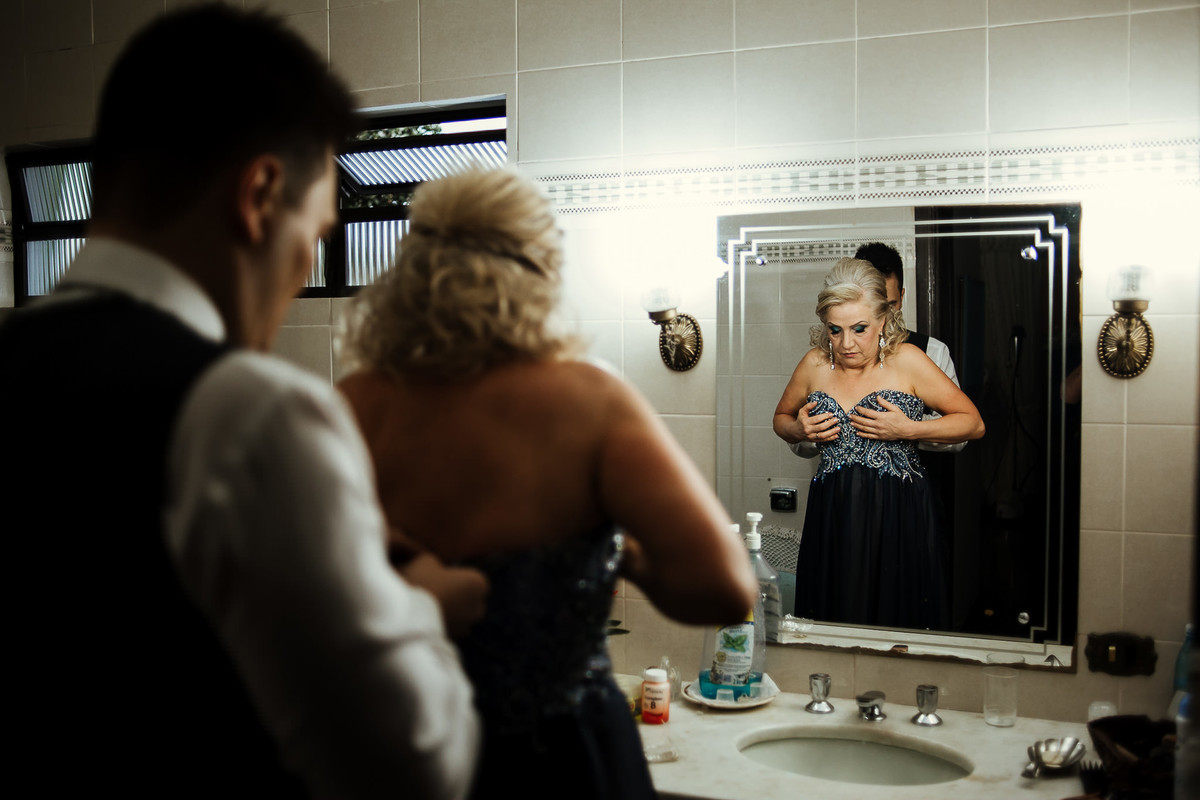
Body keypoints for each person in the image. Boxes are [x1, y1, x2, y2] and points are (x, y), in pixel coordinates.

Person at [0, 7, 483, 799]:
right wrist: (420, 604)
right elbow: (416, 766)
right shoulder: (252, 411)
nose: (307, 269)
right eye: (317, 234)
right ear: (259, 195)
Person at [337, 166, 758, 800]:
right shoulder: (589, 399)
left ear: (412, 273)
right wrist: (616, 552)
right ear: (538, 274)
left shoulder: (354, 407)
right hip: (567, 760)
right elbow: (725, 591)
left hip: (406, 751)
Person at [772, 258, 984, 630]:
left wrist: (909, 429)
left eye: (859, 329)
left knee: (895, 618)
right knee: (833, 616)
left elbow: (973, 423)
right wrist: (799, 429)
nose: (846, 343)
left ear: (883, 320)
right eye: (835, 330)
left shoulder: (909, 361)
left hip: (899, 512)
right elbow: (781, 419)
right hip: (832, 512)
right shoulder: (814, 364)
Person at [789, 241, 965, 459]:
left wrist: (905, 429)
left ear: (902, 297)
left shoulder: (931, 351)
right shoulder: (826, 357)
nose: (885, 316)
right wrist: (823, 430)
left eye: (889, 305)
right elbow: (796, 440)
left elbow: (962, 437)